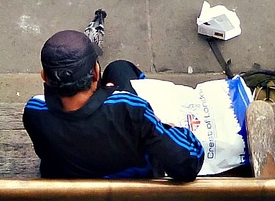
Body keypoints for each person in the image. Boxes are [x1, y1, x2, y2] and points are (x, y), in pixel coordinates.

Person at [22, 30, 204, 180]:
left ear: (44, 76)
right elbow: (187, 164)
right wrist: (164, 127)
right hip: (133, 184)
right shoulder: (131, 108)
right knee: (121, 68)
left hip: (73, 184)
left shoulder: (34, 111)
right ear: (95, 72)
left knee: (118, 69)